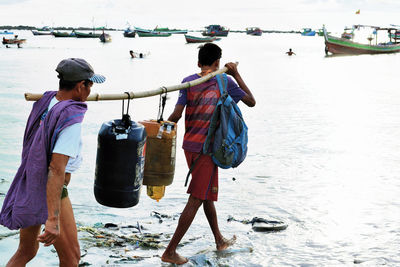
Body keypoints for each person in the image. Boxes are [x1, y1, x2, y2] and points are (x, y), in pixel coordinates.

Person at [0, 58, 105, 266]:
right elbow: (56, 169)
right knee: (71, 257)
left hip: (31, 181)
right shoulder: (70, 117)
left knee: (26, 250)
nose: (91, 90)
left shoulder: (48, 100)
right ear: (79, 86)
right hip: (52, 190)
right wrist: (53, 219)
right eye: (89, 84)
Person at [161, 43, 256, 265]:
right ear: (217, 63)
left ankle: (219, 240)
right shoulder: (225, 80)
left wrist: (159, 129)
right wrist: (236, 73)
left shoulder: (188, 81)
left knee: (206, 195)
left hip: (190, 147)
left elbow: (176, 114)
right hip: (206, 150)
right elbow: (251, 101)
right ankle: (170, 251)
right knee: (196, 198)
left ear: (198, 63)